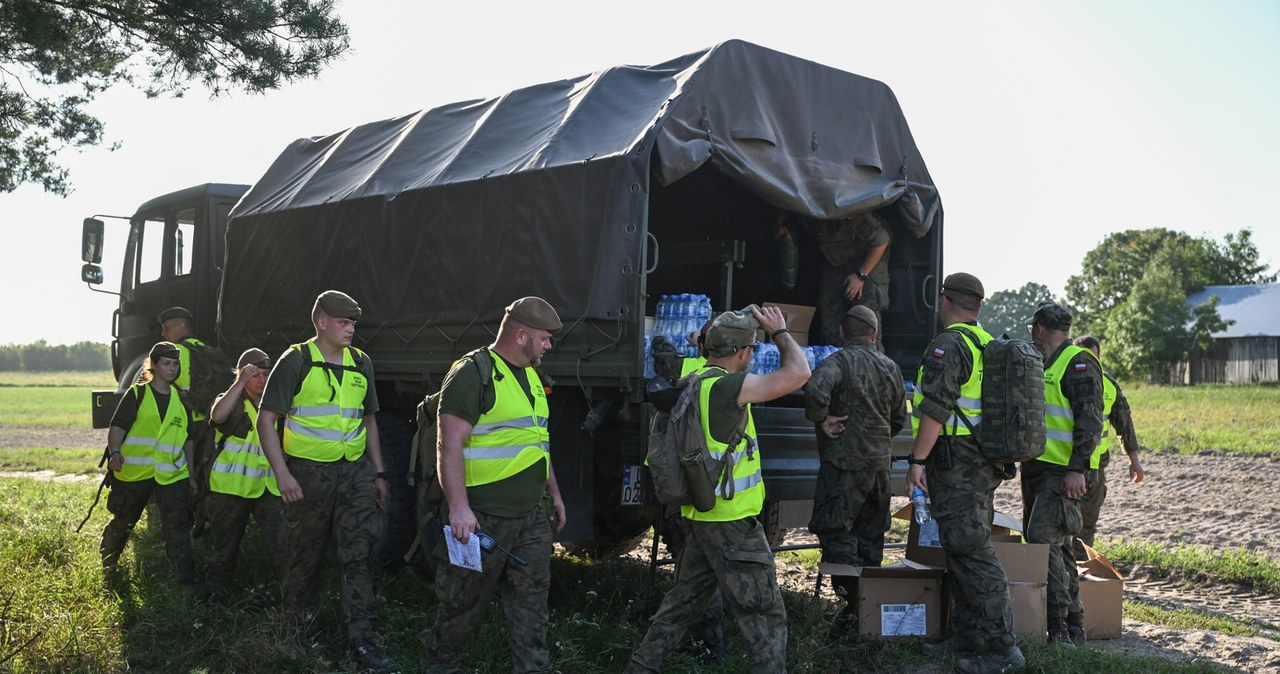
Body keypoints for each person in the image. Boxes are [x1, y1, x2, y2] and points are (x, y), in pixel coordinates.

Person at [626, 304, 810, 674]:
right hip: (732, 524)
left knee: (681, 605)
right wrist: (780, 332)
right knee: (764, 615)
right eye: (751, 350)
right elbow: (799, 373)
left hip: (700, 517)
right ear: (744, 353)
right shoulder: (731, 389)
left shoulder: (692, 379)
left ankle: (641, 667)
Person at [420, 296, 568, 673]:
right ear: (521, 335)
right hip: (482, 520)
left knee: (533, 612)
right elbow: (448, 443)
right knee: (460, 609)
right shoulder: (473, 372)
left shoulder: (532, 376)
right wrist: (458, 508)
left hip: (530, 518)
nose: (549, 345)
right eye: (544, 338)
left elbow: (538, 441)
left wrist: (553, 492)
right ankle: (440, 666)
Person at [257, 290, 398, 673]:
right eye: (344, 322)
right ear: (322, 323)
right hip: (308, 475)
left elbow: (368, 420)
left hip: (354, 473)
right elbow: (265, 419)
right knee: (305, 553)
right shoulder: (296, 360)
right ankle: (295, 630)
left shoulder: (361, 363)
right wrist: (283, 473)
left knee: (358, 554)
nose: (351, 329)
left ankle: (362, 641)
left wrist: (379, 472)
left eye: (353, 323)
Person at [905, 273, 1024, 674]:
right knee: (959, 545)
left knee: (972, 551)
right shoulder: (985, 342)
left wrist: (916, 461)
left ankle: (1003, 650)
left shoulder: (949, 344)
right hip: (981, 460)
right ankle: (968, 635)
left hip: (957, 460)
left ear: (944, 300)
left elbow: (936, 408)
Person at [803, 305, 906, 618]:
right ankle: (868, 613)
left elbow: (815, 390)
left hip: (843, 468)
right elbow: (899, 418)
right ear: (874, 334)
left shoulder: (838, 362)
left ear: (843, 333)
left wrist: (822, 420)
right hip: (879, 469)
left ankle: (851, 604)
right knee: (871, 537)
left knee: (837, 532)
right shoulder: (892, 368)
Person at [1024, 301, 1104, 645]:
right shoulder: (1045, 363)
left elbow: (1091, 422)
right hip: (1039, 471)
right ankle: (1074, 625)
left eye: (1033, 330)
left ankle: (1057, 628)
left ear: (1040, 330)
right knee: (1062, 547)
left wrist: (1077, 470)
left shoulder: (1079, 363)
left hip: (1062, 473)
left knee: (1043, 541)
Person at [99, 341, 197, 587]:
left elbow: (189, 441)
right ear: (153, 365)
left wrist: (192, 476)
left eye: (175, 364)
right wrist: (115, 453)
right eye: (166, 363)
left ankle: (185, 581)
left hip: (171, 475)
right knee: (124, 521)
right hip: (134, 473)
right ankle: (109, 565)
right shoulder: (137, 393)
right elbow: (117, 427)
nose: (172, 368)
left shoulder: (182, 400)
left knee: (177, 527)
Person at [204, 347, 286, 604]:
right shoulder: (231, 401)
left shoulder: (275, 405)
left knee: (283, 545)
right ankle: (217, 598)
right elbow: (217, 415)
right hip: (232, 488)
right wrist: (239, 383)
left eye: (265, 374)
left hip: (267, 488)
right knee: (225, 548)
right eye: (255, 375)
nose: (261, 380)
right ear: (240, 375)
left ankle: (290, 599)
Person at [1071, 335, 1146, 561]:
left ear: (1099, 358)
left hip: (1096, 468)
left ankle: (1082, 571)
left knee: (1087, 525)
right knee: (1062, 524)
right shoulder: (1065, 380)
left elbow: (1124, 424)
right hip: (1067, 464)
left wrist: (1134, 461)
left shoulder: (1110, 386)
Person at [157, 306, 221, 534]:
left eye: (166, 328)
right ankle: (208, 521)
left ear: (181, 326)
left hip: (189, 425)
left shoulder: (178, 352)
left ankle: (191, 522)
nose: (164, 334)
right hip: (211, 422)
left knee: (189, 475)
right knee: (208, 473)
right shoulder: (205, 349)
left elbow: (172, 388)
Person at [810, 211, 891, 348]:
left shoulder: (851, 207)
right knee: (830, 323)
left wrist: (861, 275)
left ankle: (871, 366)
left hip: (867, 267)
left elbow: (881, 241)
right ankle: (837, 363)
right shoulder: (813, 203)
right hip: (836, 263)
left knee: (865, 324)